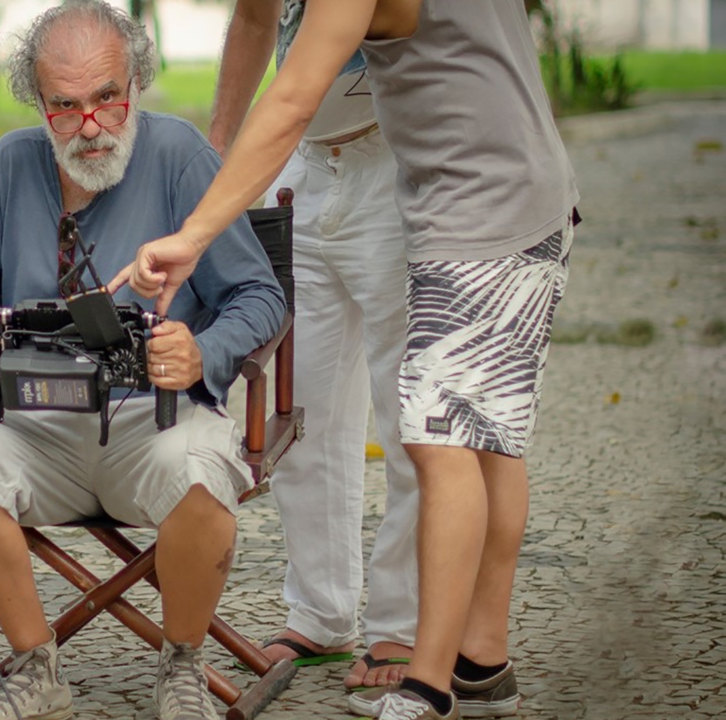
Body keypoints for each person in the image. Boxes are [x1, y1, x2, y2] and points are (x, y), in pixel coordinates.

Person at [112, 1, 578, 719]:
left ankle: (425, 674)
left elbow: (295, 95)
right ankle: (481, 662)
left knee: (434, 435)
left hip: (485, 208)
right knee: (483, 441)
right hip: (484, 197)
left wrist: (196, 231)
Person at [0, 2, 285, 718]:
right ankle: (34, 665)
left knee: (200, 471)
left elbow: (260, 299)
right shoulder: (9, 168)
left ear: (137, 82)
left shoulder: (178, 156)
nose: (89, 125)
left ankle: (183, 664)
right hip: (31, 428)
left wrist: (203, 351)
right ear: (38, 104)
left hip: (155, 423)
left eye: (107, 99)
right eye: (65, 107)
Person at [208, 0, 418, 689]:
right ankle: (322, 615)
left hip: (397, 162)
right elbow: (253, 16)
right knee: (303, 405)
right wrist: (218, 150)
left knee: (410, 412)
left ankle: (404, 631)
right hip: (304, 166)